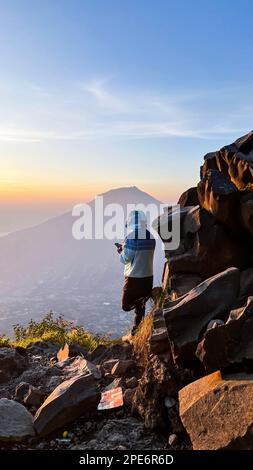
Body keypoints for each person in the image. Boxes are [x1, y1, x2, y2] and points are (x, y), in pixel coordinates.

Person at [117, 210, 156, 342]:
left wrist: (122, 250)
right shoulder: (151, 237)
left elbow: (126, 258)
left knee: (126, 305)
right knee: (140, 309)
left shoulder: (131, 237)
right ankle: (135, 334)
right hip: (148, 277)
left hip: (133, 278)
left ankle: (134, 334)